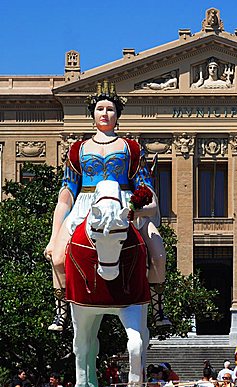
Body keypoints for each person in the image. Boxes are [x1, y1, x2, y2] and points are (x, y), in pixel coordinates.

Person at [44, 80, 170, 331]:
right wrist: (53, 234)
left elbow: (146, 189)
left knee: (157, 254)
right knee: (57, 258)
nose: (105, 113)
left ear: (117, 115)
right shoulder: (77, 150)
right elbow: (66, 194)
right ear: (92, 114)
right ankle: (61, 312)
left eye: (110, 109)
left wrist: (139, 209)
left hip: (123, 203)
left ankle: (157, 309)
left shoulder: (131, 148)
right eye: (100, 109)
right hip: (85, 205)